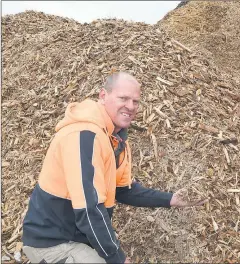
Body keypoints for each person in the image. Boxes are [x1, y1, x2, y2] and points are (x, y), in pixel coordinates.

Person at [22, 72, 208, 263]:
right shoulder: (84, 136)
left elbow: (123, 191)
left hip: (76, 238)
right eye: (123, 98)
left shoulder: (114, 140)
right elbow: (89, 208)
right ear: (103, 96)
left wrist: (171, 199)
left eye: (135, 101)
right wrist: (116, 258)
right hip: (52, 242)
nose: (131, 106)